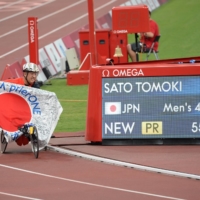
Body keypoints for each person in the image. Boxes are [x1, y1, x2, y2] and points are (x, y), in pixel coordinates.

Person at [4, 62, 40, 146]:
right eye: (32, 73)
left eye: (35, 74)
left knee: (24, 141)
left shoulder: (35, 86)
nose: (34, 76)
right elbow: (2, 86)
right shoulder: (14, 83)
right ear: (24, 73)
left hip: (28, 115)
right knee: (20, 141)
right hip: (14, 115)